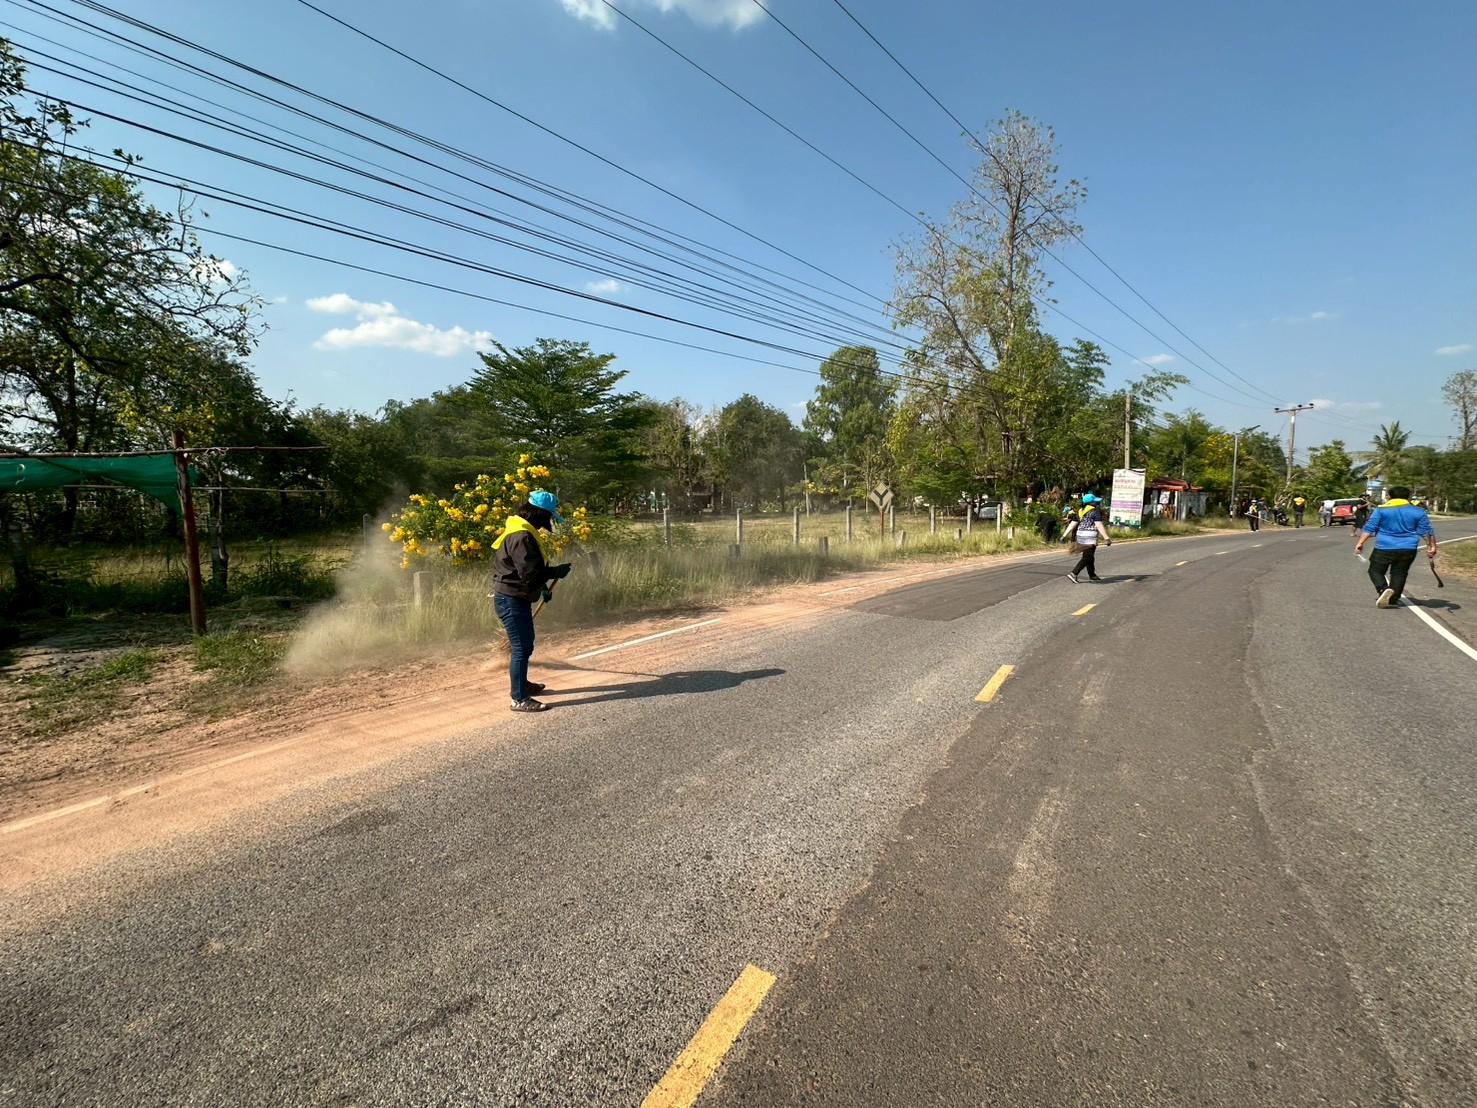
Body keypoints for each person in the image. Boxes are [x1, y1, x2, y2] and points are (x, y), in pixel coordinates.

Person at [490, 490, 573, 712]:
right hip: (511, 600)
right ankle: (519, 698)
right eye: (548, 517)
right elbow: (530, 574)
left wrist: (543, 588)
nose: (548, 523)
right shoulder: (522, 537)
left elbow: (527, 570)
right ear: (540, 514)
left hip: (514, 597)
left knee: (524, 645)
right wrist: (555, 572)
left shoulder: (521, 531)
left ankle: (523, 685)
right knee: (522, 647)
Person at [1353, 486, 1436, 608]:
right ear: (1407, 497)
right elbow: (1426, 531)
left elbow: (1370, 528)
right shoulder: (1418, 511)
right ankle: (1394, 598)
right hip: (1408, 548)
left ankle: (1383, 589)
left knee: (1375, 571)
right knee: (1399, 573)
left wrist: (1360, 543)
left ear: (1390, 497)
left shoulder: (1381, 510)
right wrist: (1432, 546)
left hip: (1384, 547)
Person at [1066, 492, 1111, 582]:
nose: (1097, 503)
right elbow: (1099, 525)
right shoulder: (1094, 512)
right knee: (1088, 557)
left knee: (1089, 556)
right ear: (1091, 503)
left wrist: (1064, 535)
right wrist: (1106, 538)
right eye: (1095, 502)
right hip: (1090, 538)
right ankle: (1074, 573)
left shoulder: (1080, 511)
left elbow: (1072, 524)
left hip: (1080, 537)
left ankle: (1092, 575)